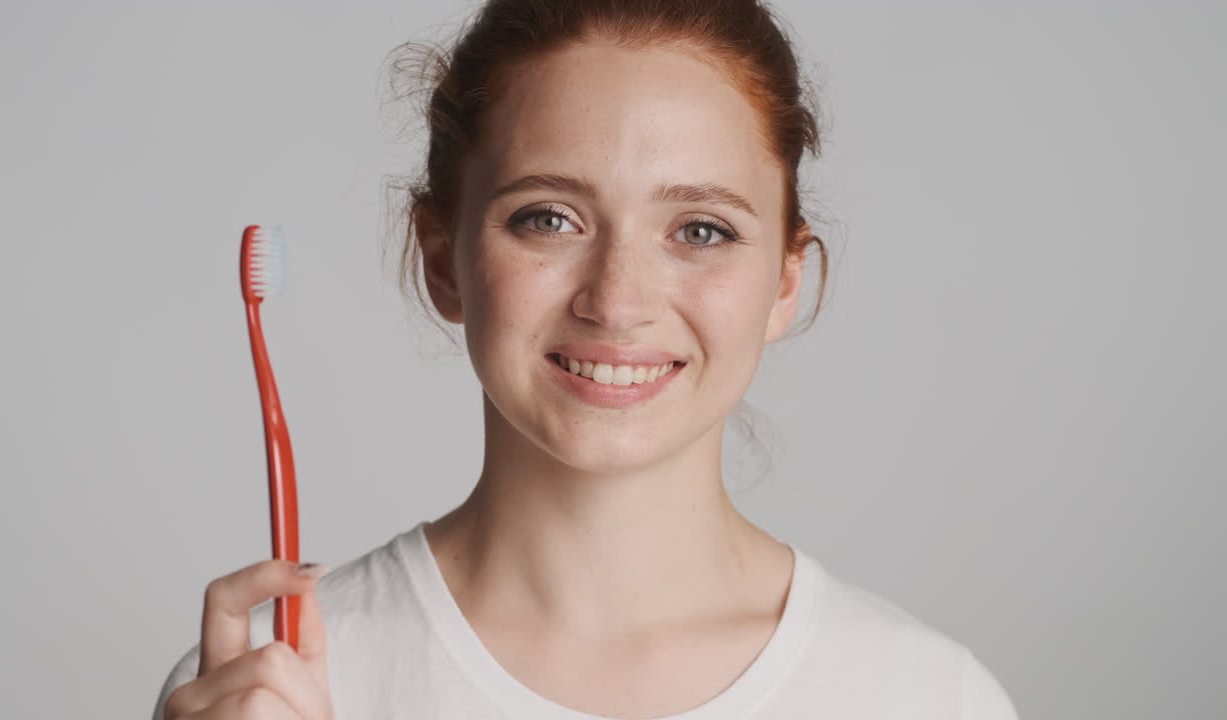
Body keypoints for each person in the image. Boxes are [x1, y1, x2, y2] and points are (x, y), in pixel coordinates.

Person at [153, 1, 1020, 718]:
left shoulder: (925, 698)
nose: (617, 300)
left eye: (701, 231)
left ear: (785, 283)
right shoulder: (260, 687)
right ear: (444, 259)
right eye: (548, 218)